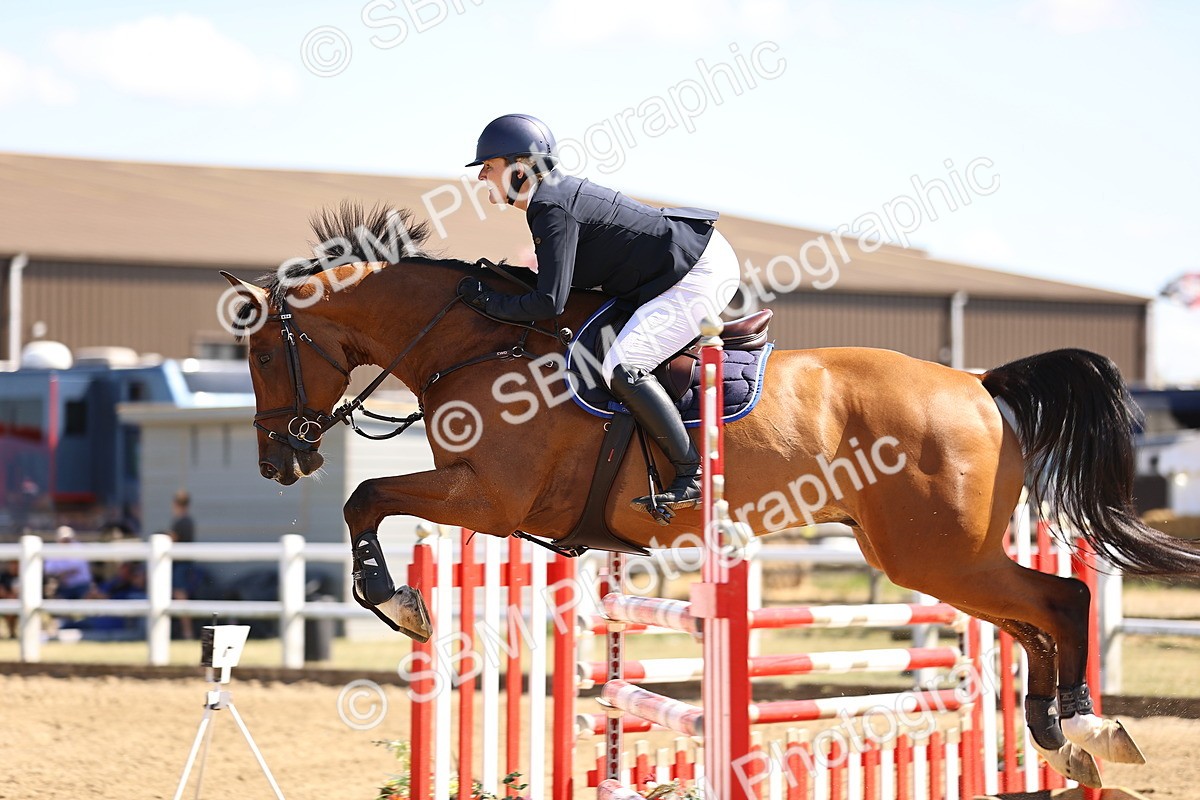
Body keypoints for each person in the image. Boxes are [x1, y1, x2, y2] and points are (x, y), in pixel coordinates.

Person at [458, 114, 741, 516]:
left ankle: (691, 474)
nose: (482, 175)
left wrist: (487, 303)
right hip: (673, 269)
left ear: (520, 168)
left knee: (622, 366)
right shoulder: (550, 199)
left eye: (489, 165)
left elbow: (549, 303)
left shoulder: (551, 207)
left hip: (696, 273)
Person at [43, 526, 93, 599]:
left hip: (81, 585)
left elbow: (75, 568)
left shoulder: (78, 548)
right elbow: (49, 570)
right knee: (51, 589)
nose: (66, 541)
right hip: (62, 586)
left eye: (68, 539)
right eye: (63, 539)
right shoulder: (54, 549)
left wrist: (61, 574)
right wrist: (59, 575)